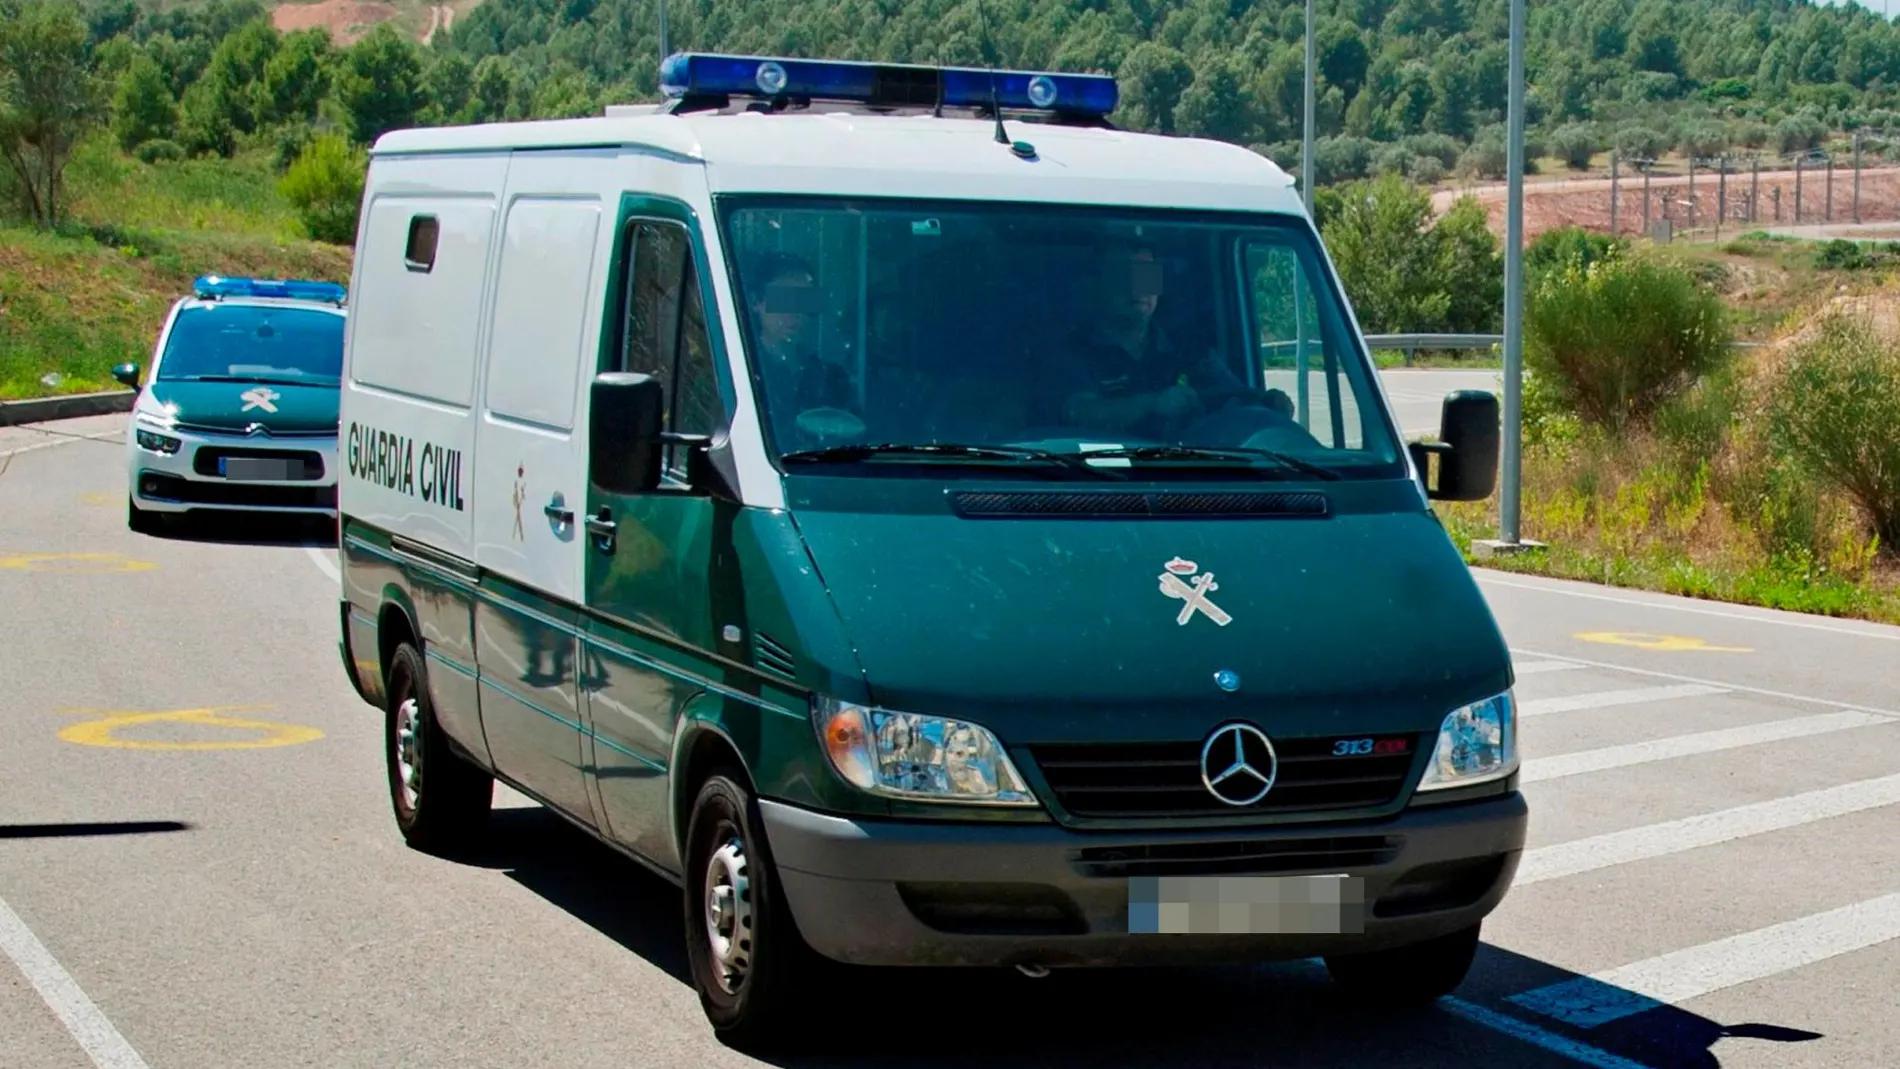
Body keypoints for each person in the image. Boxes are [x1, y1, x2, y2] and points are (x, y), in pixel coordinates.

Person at [1058, 239, 1245, 439]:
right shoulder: (1072, 349)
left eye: (1146, 276)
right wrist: (1153, 404)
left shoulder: (1188, 346)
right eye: (1122, 276)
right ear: (1096, 285)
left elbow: (1233, 395)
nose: (1138, 288)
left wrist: (1265, 401)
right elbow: (1079, 411)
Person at [745, 251, 856, 417]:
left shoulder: (833, 379)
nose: (795, 311)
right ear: (755, 302)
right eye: (783, 299)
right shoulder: (738, 373)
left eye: (804, 300)